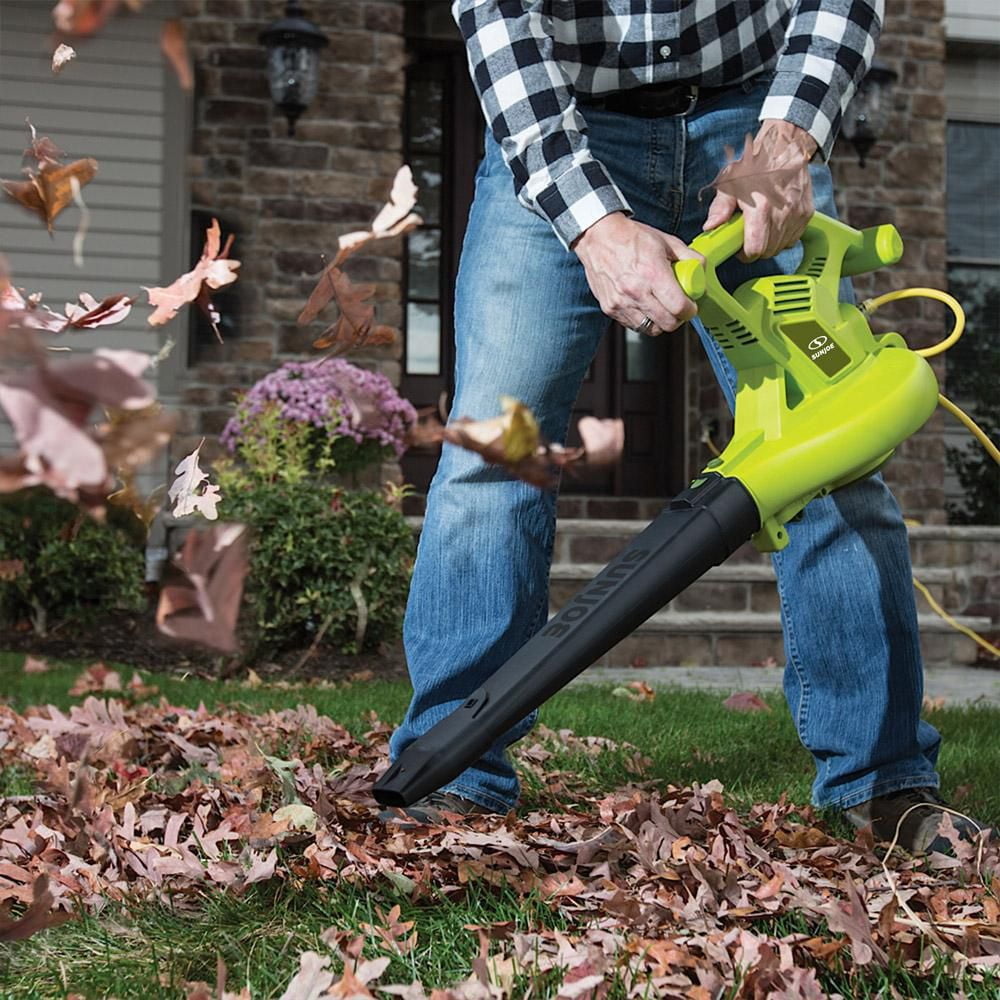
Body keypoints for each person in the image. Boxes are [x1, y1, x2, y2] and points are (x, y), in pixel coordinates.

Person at [387, 1, 977, 854]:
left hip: (749, 111)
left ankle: (883, 788)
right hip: (564, 120)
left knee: (832, 445)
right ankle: (453, 778)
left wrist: (785, 143)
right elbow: (500, 26)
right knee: (495, 454)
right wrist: (593, 225)